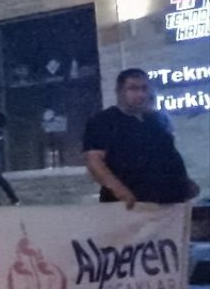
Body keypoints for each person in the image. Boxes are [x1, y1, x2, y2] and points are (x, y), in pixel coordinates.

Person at [83, 69, 199, 207]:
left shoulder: (156, 120)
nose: (140, 94)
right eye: (133, 88)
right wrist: (120, 191)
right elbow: (94, 162)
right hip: (129, 205)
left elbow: (169, 155)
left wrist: (185, 183)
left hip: (170, 202)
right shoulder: (103, 121)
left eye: (144, 88)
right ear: (119, 91)